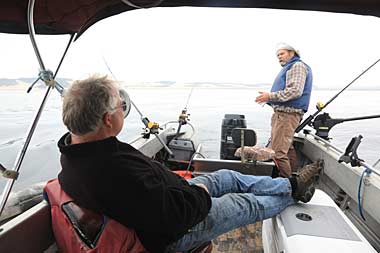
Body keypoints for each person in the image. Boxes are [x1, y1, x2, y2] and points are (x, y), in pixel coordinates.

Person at [56, 75, 322, 252]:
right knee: (243, 203)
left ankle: (290, 184)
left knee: (227, 177)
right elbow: (170, 218)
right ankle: (294, 194)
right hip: (174, 232)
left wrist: (189, 189)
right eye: (119, 106)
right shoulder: (111, 170)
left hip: (173, 199)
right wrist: (200, 196)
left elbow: (146, 196)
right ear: (106, 120)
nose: (123, 110)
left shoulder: (79, 152)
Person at [255, 43, 313, 178]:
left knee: (278, 152)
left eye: (282, 54)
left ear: (292, 53)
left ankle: (285, 185)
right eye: (277, 55)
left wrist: (269, 96)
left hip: (287, 115)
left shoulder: (297, 66)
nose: (279, 57)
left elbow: (294, 91)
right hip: (283, 115)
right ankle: (294, 178)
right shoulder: (291, 67)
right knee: (288, 148)